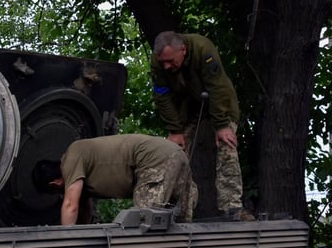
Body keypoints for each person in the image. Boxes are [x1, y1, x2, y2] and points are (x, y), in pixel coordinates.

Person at [150, 31, 250, 219]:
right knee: (174, 153)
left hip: (219, 104)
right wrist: (175, 130)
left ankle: (232, 207)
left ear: (183, 50)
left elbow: (217, 88)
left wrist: (221, 125)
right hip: (188, 107)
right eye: (163, 62)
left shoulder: (203, 48)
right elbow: (162, 96)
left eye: (170, 61)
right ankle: (178, 210)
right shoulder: (159, 62)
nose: (166, 66)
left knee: (227, 146)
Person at [32, 134, 195, 225]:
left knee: (145, 223)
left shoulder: (72, 157)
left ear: (55, 183)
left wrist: (66, 246)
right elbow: (83, 211)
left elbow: (70, 206)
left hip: (154, 159)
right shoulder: (80, 172)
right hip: (174, 155)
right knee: (180, 222)